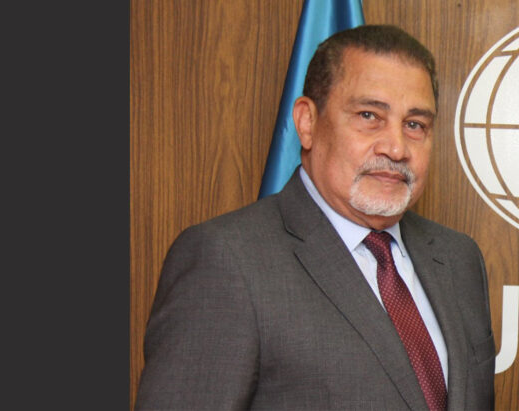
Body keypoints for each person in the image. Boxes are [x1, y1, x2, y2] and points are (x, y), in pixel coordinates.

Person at [135, 24, 495, 411]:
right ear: (307, 122)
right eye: (369, 115)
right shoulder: (227, 261)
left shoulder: (458, 258)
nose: (396, 148)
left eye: (414, 125)